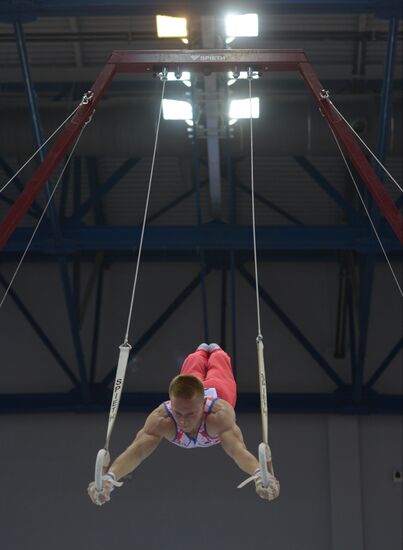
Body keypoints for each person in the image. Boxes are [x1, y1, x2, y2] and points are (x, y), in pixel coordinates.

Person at [87, 343, 280, 505]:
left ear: (204, 404)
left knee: (219, 366)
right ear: (171, 403)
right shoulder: (163, 419)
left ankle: (216, 353)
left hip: (219, 391)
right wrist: (109, 479)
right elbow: (137, 451)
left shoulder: (218, 416)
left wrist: (258, 473)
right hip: (191, 393)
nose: (182, 420)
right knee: (190, 372)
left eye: (190, 414)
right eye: (178, 413)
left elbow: (237, 451)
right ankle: (199, 353)